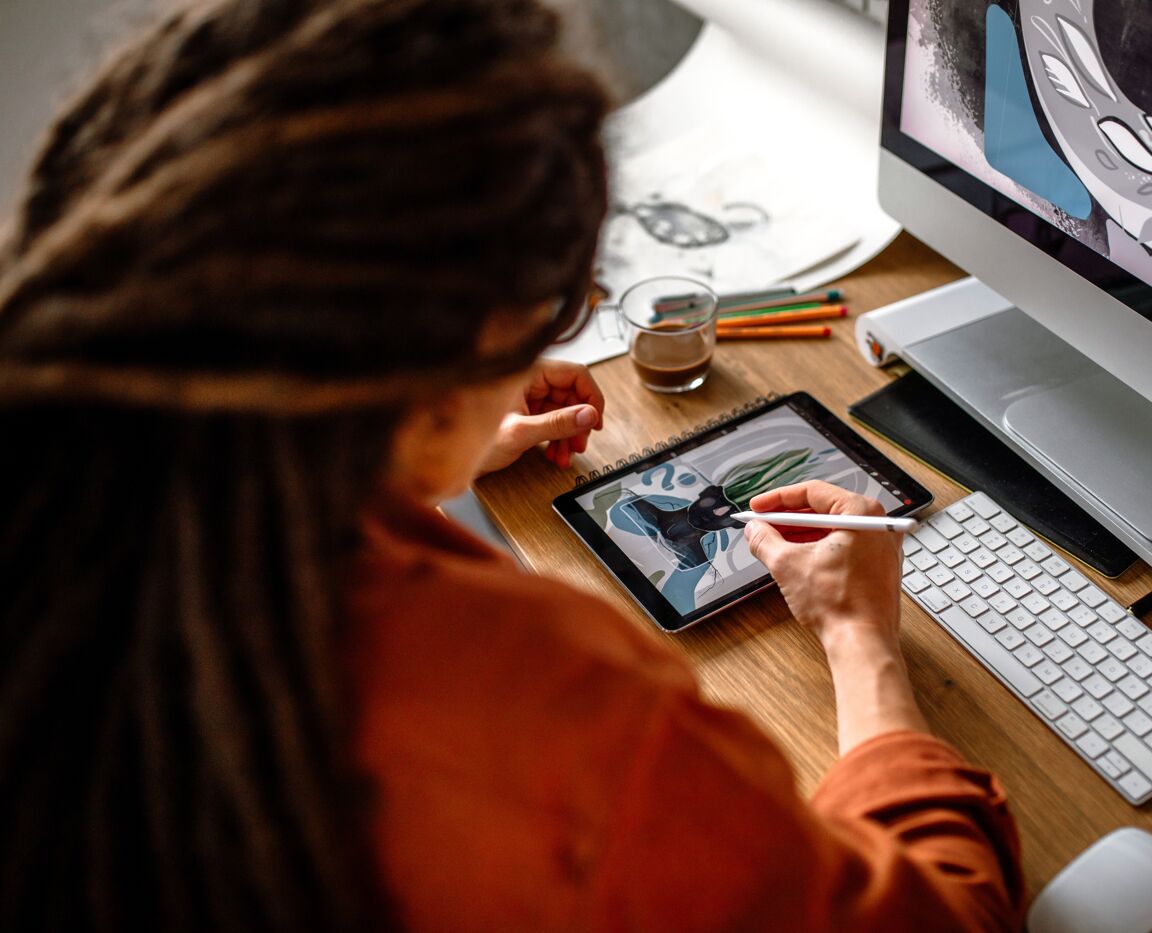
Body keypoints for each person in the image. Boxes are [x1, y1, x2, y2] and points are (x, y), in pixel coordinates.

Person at [0, 0, 1023, 930]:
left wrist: (393, 465)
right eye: (545, 316)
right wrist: (861, 644)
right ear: (440, 368)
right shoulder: (561, 716)